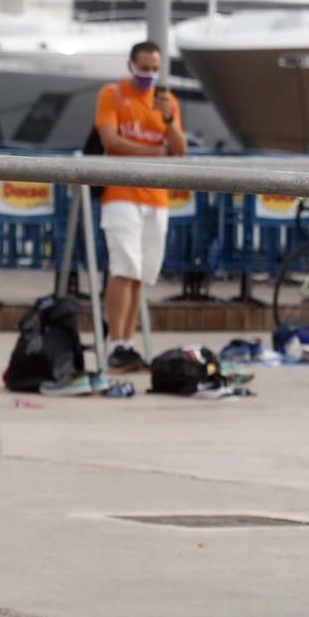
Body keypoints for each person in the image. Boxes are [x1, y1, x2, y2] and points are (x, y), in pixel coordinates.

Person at [93, 41, 184, 372]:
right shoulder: (113, 94)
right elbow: (110, 140)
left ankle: (127, 343)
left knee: (140, 275)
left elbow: (180, 149)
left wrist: (169, 121)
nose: (148, 74)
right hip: (120, 193)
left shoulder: (167, 101)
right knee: (123, 267)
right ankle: (115, 341)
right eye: (143, 67)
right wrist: (154, 154)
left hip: (156, 197)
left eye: (154, 68)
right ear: (131, 65)